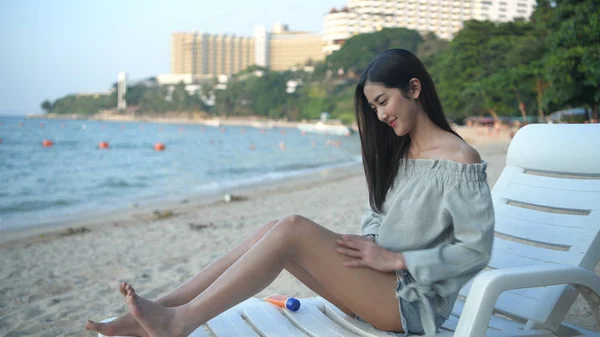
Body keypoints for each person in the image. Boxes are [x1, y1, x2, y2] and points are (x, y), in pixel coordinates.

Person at [85, 49, 494, 337]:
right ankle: (164, 308)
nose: (380, 115)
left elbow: (475, 251)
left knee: (293, 229)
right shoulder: (400, 153)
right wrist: (369, 248)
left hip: (411, 306)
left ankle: (177, 324)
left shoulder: (460, 158)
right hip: (375, 287)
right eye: (373, 108)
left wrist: (397, 258)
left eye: (383, 101)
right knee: (273, 229)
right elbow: (378, 219)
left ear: (415, 89)